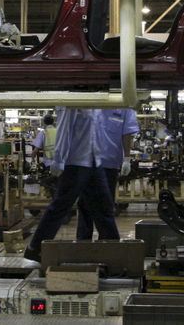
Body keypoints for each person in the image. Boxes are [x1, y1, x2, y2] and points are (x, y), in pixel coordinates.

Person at [23, 109, 120, 262]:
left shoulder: (97, 105)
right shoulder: (74, 103)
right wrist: (58, 160)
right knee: (61, 205)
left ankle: (116, 251)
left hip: (94, 162)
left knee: (105, 207)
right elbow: (64, 130)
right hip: (76, 163)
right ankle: (34, 248)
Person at [76, 109, 139, 240]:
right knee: (84, 204)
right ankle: (83, 241)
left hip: (109, 163)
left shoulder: (124, 106)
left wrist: (127, 158)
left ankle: (106, 241)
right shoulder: (92, 101)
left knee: (106, 204)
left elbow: (127, 133)